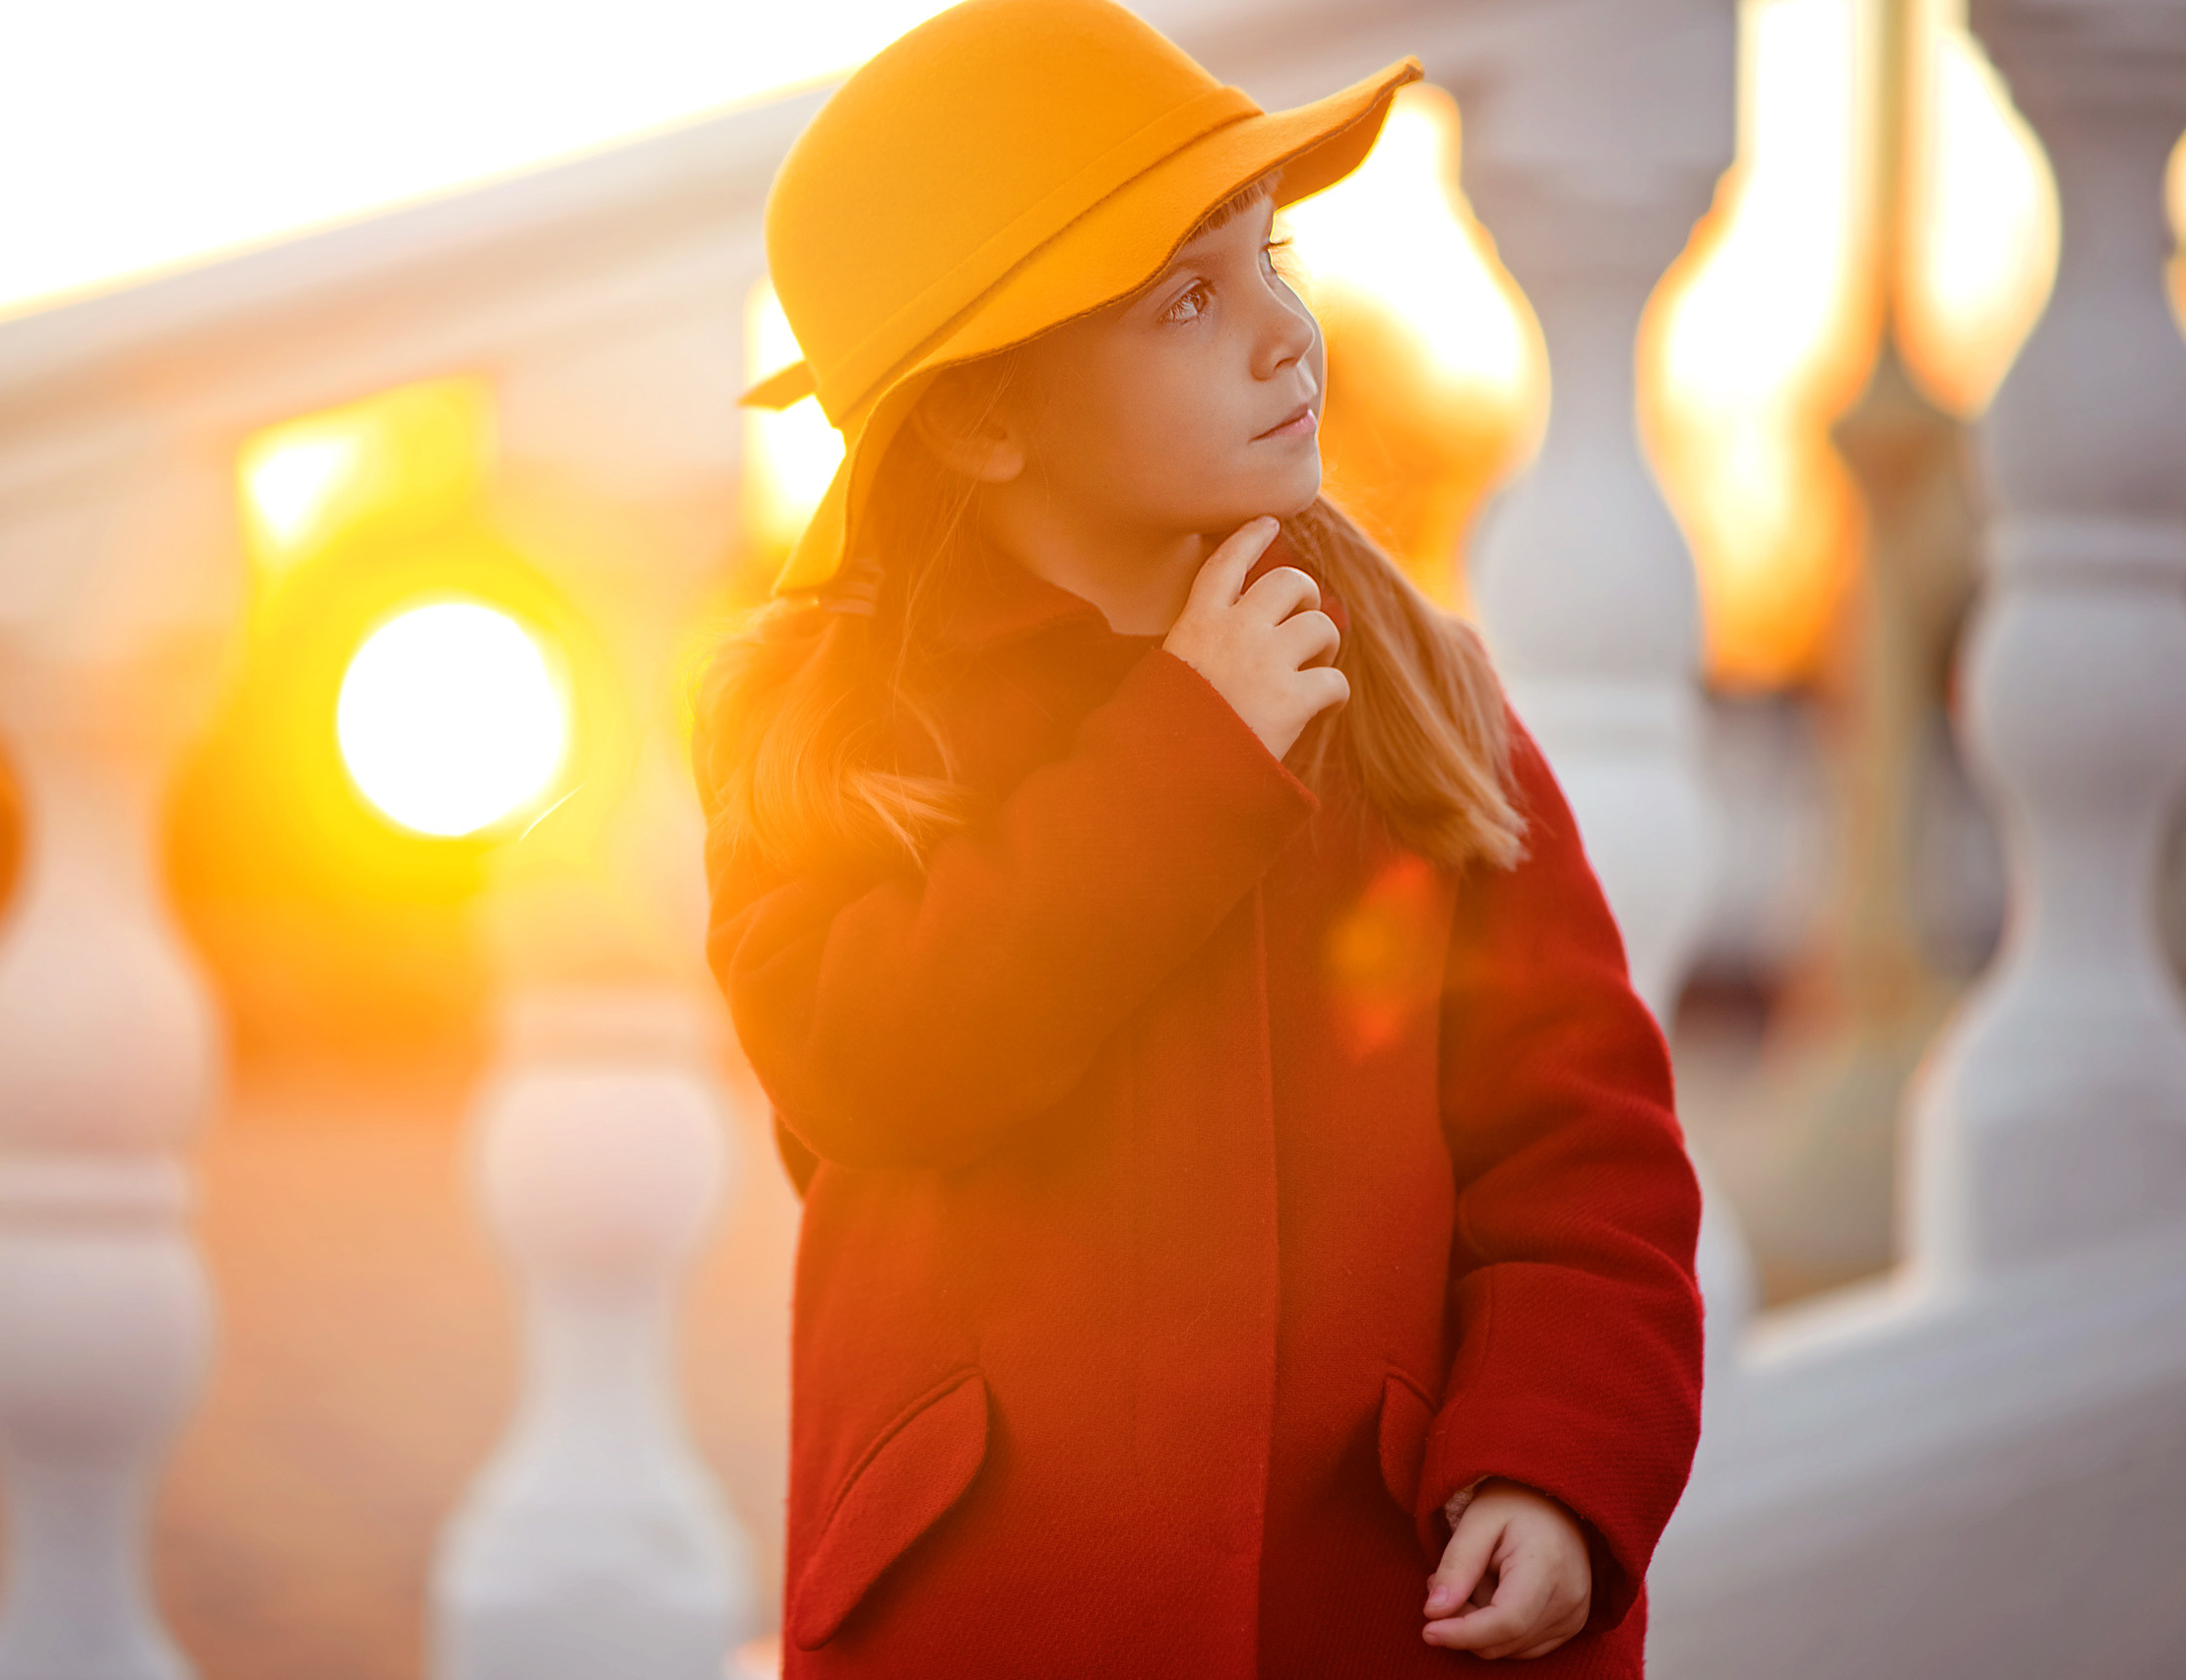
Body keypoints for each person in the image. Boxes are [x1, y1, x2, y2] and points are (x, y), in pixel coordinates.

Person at [688, 2, 1706, 1673]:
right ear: (981, 418)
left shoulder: (1406, 690)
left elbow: (1581, 1144)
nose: (1284, 335)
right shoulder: (836, 732)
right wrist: (1188, 748)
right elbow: (873, 1064)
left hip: (1370, 1598)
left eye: (1272, 256)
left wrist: (1556, 1462)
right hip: (1001, 1609)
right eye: (1185, 298)